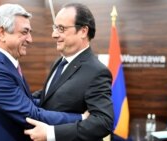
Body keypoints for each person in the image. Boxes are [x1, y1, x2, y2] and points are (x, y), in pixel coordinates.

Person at [0, 3, 85, 141]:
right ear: (2, 33)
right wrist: (82, 118)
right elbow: (31, 115)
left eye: (30, 32)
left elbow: (27, 103)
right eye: (24, 32)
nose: (30, 39)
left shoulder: (5, 65)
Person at [25, 2, 114, 141]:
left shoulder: (97, 72)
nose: (54, 34)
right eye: (55, 27)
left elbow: (103, 122)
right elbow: (50, 95)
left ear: (83, 31)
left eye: (61, 28)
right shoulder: (59, 62)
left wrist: (51, 133)